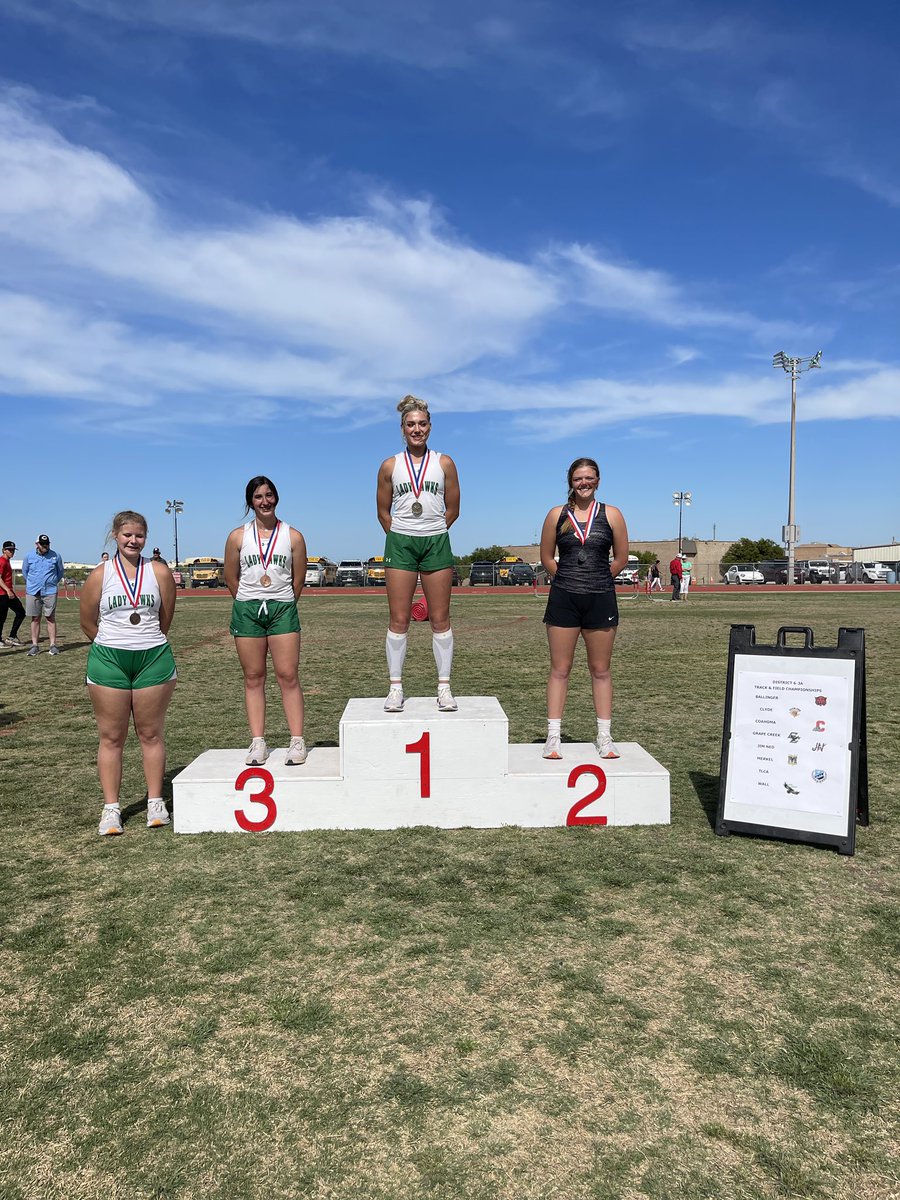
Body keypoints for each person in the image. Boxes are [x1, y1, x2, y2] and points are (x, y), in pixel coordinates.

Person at [80, 511, 177, 836]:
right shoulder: (100, 574)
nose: (133, 541)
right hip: (109, 661)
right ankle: (111, 809)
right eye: (127, 536)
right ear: (115, 536)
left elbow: (165, 619)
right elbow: (87, 622)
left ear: (145, 538)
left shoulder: (159, 571)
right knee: (111, 737)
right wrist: (114, 643)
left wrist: (142, 641)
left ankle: (154, 802)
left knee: (151, 734)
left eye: (139, 536)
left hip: (153, 660)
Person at [539, 457, 629, 761]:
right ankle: (553, 736)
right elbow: (547, 557)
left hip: (600, 597)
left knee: (601, 670)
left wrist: (598, 579)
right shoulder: (556, 514)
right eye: (578, 479)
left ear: (598, 481)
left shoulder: (612, 514)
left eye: (589, 478)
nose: (584, 483)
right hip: (564, 598)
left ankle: (604, 736)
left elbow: (621, 559)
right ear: (570, 482)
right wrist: (566, 579)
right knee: (560, 669)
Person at [376, 395, 461, 712]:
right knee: (399, 619)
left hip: (436, 541)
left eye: (422, 424)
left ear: (430, 427)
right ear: (402, 428)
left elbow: (453, 509)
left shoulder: (444, 463)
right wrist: (403, 536)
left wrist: (431, 530)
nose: (417, 429)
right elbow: (383, 512)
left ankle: (444, 687)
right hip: (400, 543)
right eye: (411, 424)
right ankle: (395, 687)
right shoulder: (390, 466)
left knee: (440, 618)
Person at [225, 476, 308, 767]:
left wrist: (280, 598)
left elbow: (298, 579)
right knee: (253, 677)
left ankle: (296, 740)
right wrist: (248, 597)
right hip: (248, 610)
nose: (265, 501)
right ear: (250, 502)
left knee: (288, 675)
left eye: (269, 495)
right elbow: (230, 576)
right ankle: (258, 741)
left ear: (277, 497)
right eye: (258, 496)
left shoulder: (293, 536)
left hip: (282, 608)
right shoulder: (238, 537)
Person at [22, 533, 65, 655]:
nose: (45, 546)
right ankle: (35, 645)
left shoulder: (56, 556)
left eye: (47, 544)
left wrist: (52, 583)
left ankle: (53, 645)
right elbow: (25, 572)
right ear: (37, 544)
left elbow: (60, 572)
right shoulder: (28, 556)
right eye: (43, 544)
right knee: (35, 618)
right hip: (33, 591)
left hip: (50, 591)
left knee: (50, 618)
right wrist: (32, 583)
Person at [0, 540, 26, 645]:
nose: (12, 552)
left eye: (13, 550)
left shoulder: (7, 561)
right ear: (4, 550)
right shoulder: (1, 561)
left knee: (21, 612)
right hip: (2, 594)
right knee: (1, 617)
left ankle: (12, 637)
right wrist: (7, 590)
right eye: (9, 550)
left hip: (8, 593)